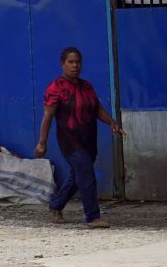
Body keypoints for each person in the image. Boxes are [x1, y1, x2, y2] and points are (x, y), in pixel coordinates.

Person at [34, 46, 125, 228]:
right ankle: (93, 217)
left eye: (78, 62)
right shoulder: (56, 88)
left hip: (88, 139)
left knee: (78, 175)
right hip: (69, 140)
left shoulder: (86, 86)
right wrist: (42, 143)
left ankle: (56, 204)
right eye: (71, 62)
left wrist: (111, 122)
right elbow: (48, 116)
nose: (75, 66)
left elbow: (97, 108)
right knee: (86, 174)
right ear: (63, 64)